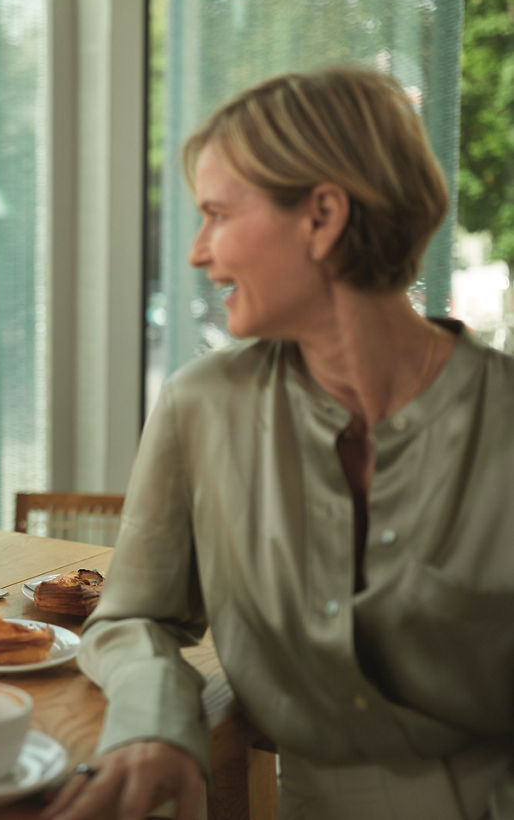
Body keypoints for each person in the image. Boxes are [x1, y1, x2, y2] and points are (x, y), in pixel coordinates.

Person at [45, 66, 514, 820]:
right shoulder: (201, 406)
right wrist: (157, 725)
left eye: (217, 214)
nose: (198, 252)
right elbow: (135, 618)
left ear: (323, 216)